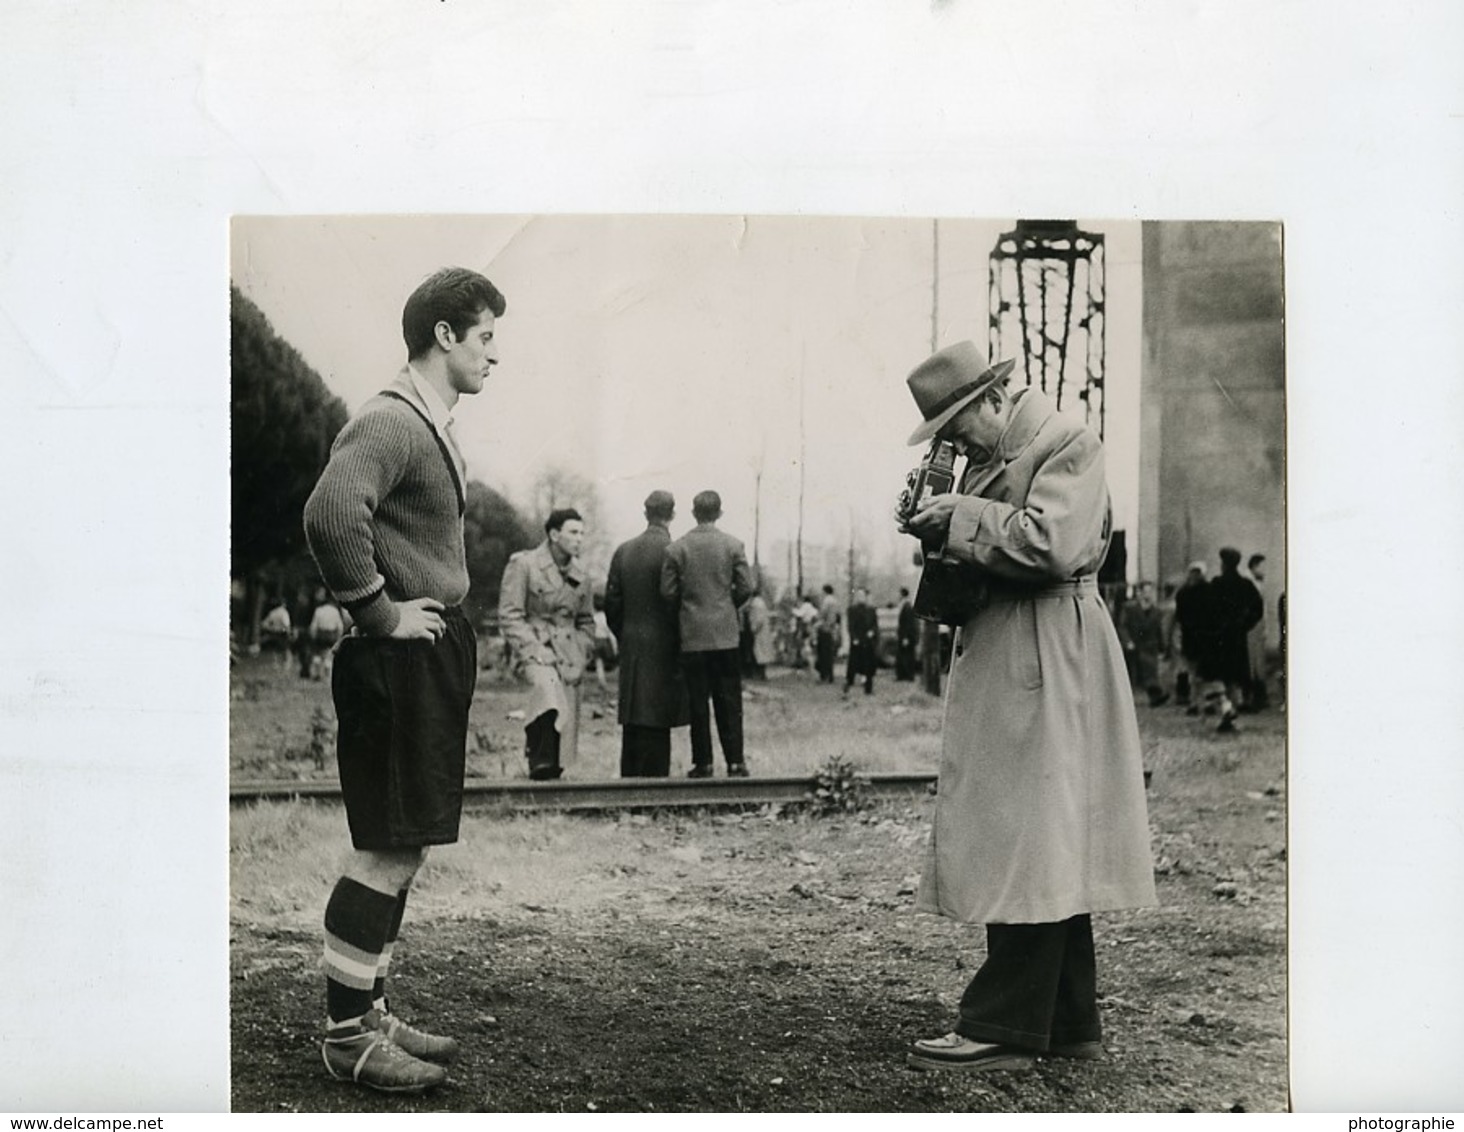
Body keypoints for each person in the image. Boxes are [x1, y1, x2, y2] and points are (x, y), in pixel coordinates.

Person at [897, 340, 1155, 1074]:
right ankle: (1067, 1022)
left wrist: (961, 518)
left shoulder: (1066, 443)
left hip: (1049, 648)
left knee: (1028, 834)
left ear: (990, 400)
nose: (950, 441)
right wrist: (934, 529)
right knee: (1045, 833)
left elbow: (1050, 544)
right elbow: (986, 552)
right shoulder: (988, 461)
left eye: (953, 424)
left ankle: (1002, 1025)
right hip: (1021, 646)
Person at [302, 266, 505, 1094]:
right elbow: (328, 513)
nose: (497, 355)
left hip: (425, 654)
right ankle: (347, 1036)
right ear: (445, 335)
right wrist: (379, 614)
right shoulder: (392, 421)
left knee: (405, 844)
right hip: (396, 659)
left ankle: (370, 1006)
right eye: (486, 337)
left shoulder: (429, 422)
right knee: (384, 848)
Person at [660, 489, 753, 778]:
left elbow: (667, 592)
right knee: (729, 700)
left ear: (693, 513)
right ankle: (735, 762)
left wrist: (687, 612)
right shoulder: (733, 546)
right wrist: (726, 606)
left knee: (698, 702)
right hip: (725, 636)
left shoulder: (676, 549)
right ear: (720, 513)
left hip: (693, 638)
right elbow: (746, 587)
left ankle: (704, 763)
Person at [499, 508, 597, 780]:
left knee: (565, 687)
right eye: (573, 532)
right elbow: (509, 615)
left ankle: (554, 769)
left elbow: (587, 622)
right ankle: (539, 761)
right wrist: (535, 651)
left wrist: (582, 651)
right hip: (532, 648)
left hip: (569, 651)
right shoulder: (525, 564)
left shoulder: (581, 575)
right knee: (547, 686)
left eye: (582, 533)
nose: (579, 539)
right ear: (554, 535)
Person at [604, 490, 689, 777]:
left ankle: (630, 779)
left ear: (645, 513)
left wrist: (625, 631)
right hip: (666, 643)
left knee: (634, 715)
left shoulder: (624, 550)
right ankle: (655, 781)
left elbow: (611, 603)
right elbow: (679, 601)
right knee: (659, 715)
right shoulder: (676, 550)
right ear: (673, 514)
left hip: (632, 640)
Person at [1199, 546, 1264, 733]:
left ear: (1223, 564)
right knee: (1234, 679)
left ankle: (1226, 710)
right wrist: (1244, 625)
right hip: (1237, 639)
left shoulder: (1216, 584)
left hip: (1217, 639)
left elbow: (1206, 612)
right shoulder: (1245, 585)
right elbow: (1257, 609)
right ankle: (1230, 715)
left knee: (1216, 677)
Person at [1119, 580, 1170, 707]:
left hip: (1150, 646)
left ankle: (1155, 695)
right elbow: (1122, 626)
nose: (1148, 594)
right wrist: (1127, 641)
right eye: (1145, 591)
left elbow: (1159, 630)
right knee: (1131, 674)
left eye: (1150, 591)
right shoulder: (1129, 608)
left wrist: (1162, 648)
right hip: (1134, 645)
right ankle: (1125, 700)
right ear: (1139, 593)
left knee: (1151, 672)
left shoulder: (1156, 611)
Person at [1170, 561, 1211, 707]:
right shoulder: (1184, 593)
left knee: (1200, 672)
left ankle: (1202, 701)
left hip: (1202, 636)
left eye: (1197, 573)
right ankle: (1196, 701)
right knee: (1194, 672)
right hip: (1193, 636)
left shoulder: (1203, 591)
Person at [1244, 553, 1271, 711]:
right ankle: (1255, 697)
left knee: (1257, 662)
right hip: (1253, 627)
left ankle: (1259, 696)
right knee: (1253, 662)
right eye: (1262, 566)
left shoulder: (1257, 582)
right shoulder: (1250, 583)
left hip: (1258, 627)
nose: (1265, 570)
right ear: (1254, 566)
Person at [844, 586, 879, 696]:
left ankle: (868, 688)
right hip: (857, 641)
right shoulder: (852, 610)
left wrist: (872, 632)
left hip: (867, 641)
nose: (861, 597)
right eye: (858, 595)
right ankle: (848, 683)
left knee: (868, 665)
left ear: (866, 597)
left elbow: (875, 625)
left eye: (863, 595)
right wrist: (854, 638)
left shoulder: (871, 610)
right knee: (853, 664)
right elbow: (850, 626)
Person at [744, 583, 775, 681]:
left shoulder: (755, 604)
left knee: (758, 653)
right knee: (762, 654)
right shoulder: (761, 602)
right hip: (762, 631)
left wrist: (753, 629)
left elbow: (758, 619)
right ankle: (761, 674)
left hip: (758, 631)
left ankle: (759, 674)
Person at [815, 584, 842, 684]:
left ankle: (824, 676)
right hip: (832, 629)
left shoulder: (826, 601)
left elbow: (822, 614)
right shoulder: (836, 601)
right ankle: (830, 676)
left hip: (825, 629)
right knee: (829, 654)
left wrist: (817, 621)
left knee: (823, 654)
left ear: (825, 591)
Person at [259, 597, 292, 669]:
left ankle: (275, 664)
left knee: (275, 649)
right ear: (283, 604)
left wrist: (271, 628)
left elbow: (264, 624)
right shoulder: (284, 612)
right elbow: (286, 624)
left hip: (273, 633)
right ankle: (286, 665)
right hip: (282, 633)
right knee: (285, 649)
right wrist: (289, 633)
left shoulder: (273, 612)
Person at [895, 586, 919, 681]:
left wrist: (905, 637)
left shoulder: (907, 606)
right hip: (905, 636)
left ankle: (908, 675)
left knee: (907, 656)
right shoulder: (904, 605)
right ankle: (903, 675)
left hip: (907, 637)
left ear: (902, 594)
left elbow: (908, 624)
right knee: (903, 656)